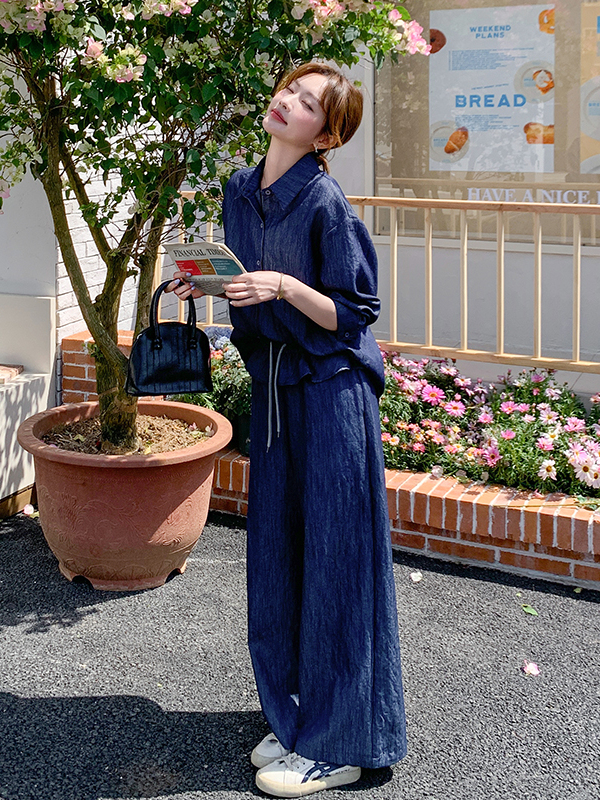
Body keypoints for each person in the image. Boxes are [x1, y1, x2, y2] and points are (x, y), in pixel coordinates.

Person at [168, 62, 407, 798]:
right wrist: (204, 283)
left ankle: (342, 744)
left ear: (325, 135)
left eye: (308, 102)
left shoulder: (326, 201)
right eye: (289, 89)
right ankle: (296, 713)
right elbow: (246, 285)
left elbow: (354, 312)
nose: (287, 101)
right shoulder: (240, 190)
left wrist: (283, 285)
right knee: (277, 558)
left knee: (337, 562)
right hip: (274, 392)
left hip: (332, 394)